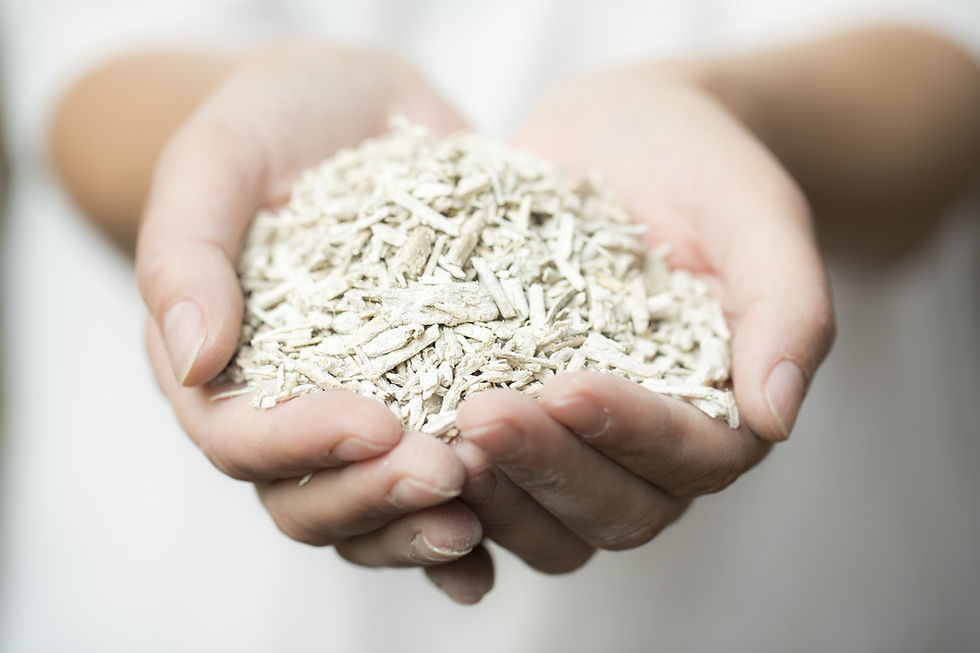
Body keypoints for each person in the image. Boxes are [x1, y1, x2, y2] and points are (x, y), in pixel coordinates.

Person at [3, 2, 979, 651]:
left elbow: (946, 65)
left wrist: (739, 112)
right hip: (189, 604)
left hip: (800, 591)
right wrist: (213, 144)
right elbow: (77, 71)